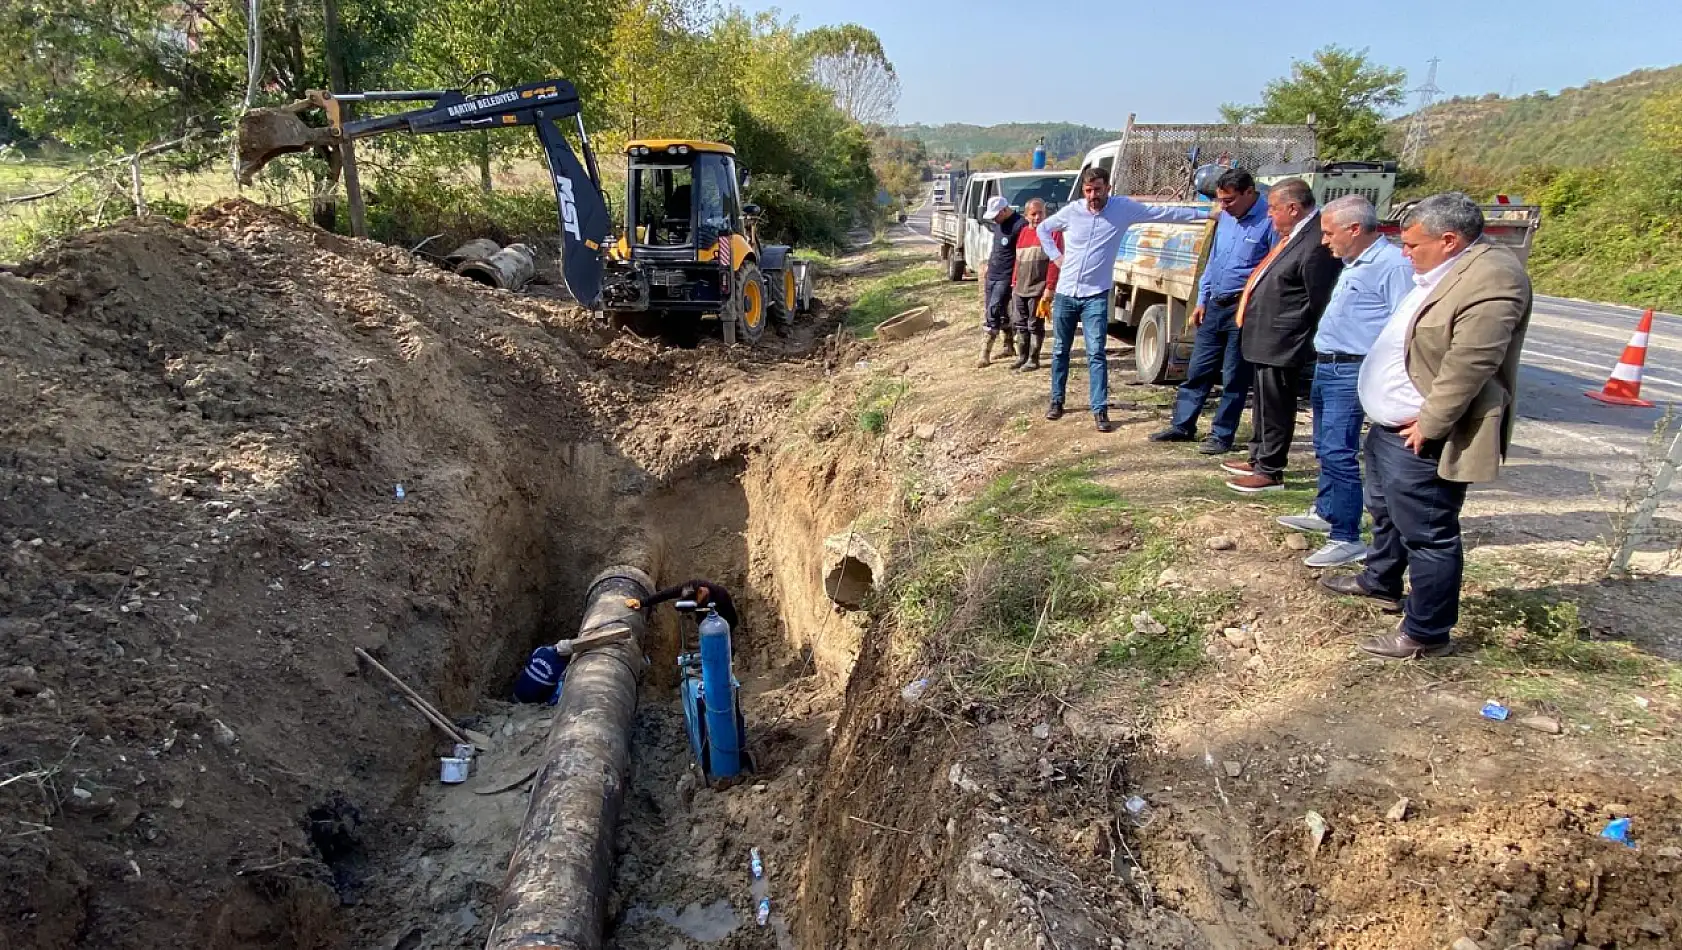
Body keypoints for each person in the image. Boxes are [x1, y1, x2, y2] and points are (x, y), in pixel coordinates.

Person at [1320, 193, 1532, 660]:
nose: (1405, 252)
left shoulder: (1493, 279)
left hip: (1423, 435)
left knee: (1428, 532)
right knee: (1387, 512)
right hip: (1389, 426)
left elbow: (1471, 362)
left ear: (1449, 240)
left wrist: (1431, 423)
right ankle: (1380, 581)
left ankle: (1426, 631)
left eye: (1413, 244)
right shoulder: (1442, 270)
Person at [1279, 195, 1416, 568]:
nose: (1325, 241)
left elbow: (1405, 328)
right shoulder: (1355, 262)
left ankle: (1346, 535)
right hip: (1329, 365)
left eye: (1328, 233)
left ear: (1354, 229)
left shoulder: (1390, 266)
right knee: (1324, 445)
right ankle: (1326, 510)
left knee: (1340, 450)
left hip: (1352, 368)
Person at [1037, 166, 1210, 432]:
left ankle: (1100, 409)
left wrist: (1206, 213)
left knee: (1096, 352)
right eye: (1087, 191)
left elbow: (1164, 213)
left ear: (1108, 187)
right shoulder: (1073, 211)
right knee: (1061, 350)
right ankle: (1057, 400)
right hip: (1066, 293)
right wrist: (1056, 257)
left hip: (1095, 295)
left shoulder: (1122, 209)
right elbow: (1044, 229)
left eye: (1097, 190)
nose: (1092, 196)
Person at [1222, 178, 1341, 493]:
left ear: (1293, 207)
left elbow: (1318, 298)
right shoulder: (1295, 235)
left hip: (1285, 339)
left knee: (1277, 404)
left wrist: (1305, 338)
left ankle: (1271, 469)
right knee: (1262, 402)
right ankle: (1258, 454)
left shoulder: (1316, 241)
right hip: (1266, 338)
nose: (1270, 215)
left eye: (1274, 209)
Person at [1150, 168, 1276, 453]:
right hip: (1214, 306)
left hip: (1242, 309)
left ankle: (1222, 435)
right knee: (1198, 369)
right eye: (1220, 200)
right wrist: (1202, 299)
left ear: (1248, 193)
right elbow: (1213, 261)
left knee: (1234, 376)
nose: (1223, 207)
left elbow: (1271, 268)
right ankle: (1183, 425)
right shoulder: (1226, 220)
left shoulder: (1269, 220)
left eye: (1229, 200)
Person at [1009, 197, 1060, 371]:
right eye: (1033, 214)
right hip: (1020, 288)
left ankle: (1033, 359)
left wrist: (1049, 288)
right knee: (1020, 324)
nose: (1037, 217)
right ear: (1026, 215)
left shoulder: (1052, 233)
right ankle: (1021, 357)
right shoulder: (1023, 232)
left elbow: (1055, 262)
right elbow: (1018, 260)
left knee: (1034, 325)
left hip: (1038, 289)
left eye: (1041, 213)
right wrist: (1014, 283)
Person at [979, 196, 1030, 367]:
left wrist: (1017, 278)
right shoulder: (998, 225)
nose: (994, 219)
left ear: (1004, 210)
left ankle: (985, 352)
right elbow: (997, 249)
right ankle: (1008, 345)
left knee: (993, 309)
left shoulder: (1020, 225)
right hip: (993, 273)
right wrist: (988, 265)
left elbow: (1022, 254)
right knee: (996, 309)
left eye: (996, 215)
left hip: (1007, 276)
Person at [633, 579, 740, 631]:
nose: (693, 603)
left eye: (693, 600)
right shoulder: (691, 586)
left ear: (701, 592)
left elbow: (729, 621)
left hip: (724, 623)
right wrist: (642, 602)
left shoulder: (721, 596)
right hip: (704, 618)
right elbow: (666, 594)